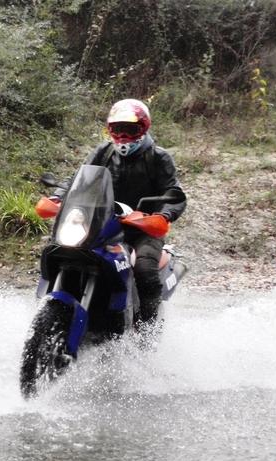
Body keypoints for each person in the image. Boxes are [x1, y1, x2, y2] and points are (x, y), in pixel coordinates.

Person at [52, 98, 187, 323]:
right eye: (117, 129)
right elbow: (79, 178)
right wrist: (58, 196)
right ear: (110, 130)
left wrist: (163, 215)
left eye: (130, 129)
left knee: (145, 270)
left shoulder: (158, 157)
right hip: (103, 223)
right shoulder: (103, 152)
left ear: (143, 129)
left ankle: (147, 331)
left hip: (144, 228)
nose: (123, 136)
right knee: (63, 249)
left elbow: (174, 192)